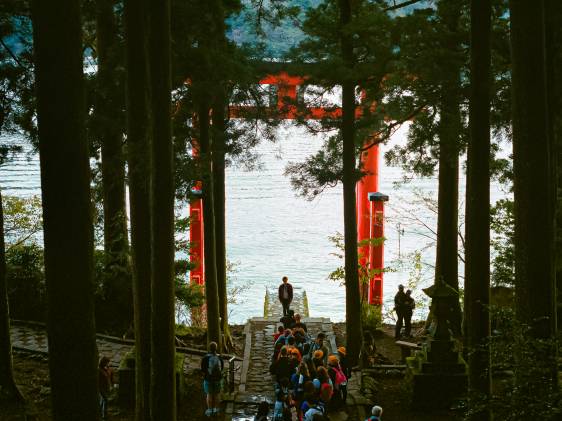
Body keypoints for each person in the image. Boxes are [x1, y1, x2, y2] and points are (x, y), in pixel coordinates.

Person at [201, 341, 224, 417]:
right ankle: (216, 410)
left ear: (209, 348)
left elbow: (203, 369)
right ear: (216, 348)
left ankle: (210, 411)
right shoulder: (219, 357)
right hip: (218, 379)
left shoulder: (205, 358)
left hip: (208, 379)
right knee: (217, 394)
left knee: (209, 394)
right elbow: (222, 368)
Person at [98, 356, 114, 420]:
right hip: (101, 387)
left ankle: (100, 413)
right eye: (107, 362)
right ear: (103, 362)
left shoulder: (106, 369)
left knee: (102, 401)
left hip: (106, 387)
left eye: (108, 362)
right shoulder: (99, 370)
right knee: (105, 400)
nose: (107, 364)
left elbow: (109, 377)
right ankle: (104, 415)